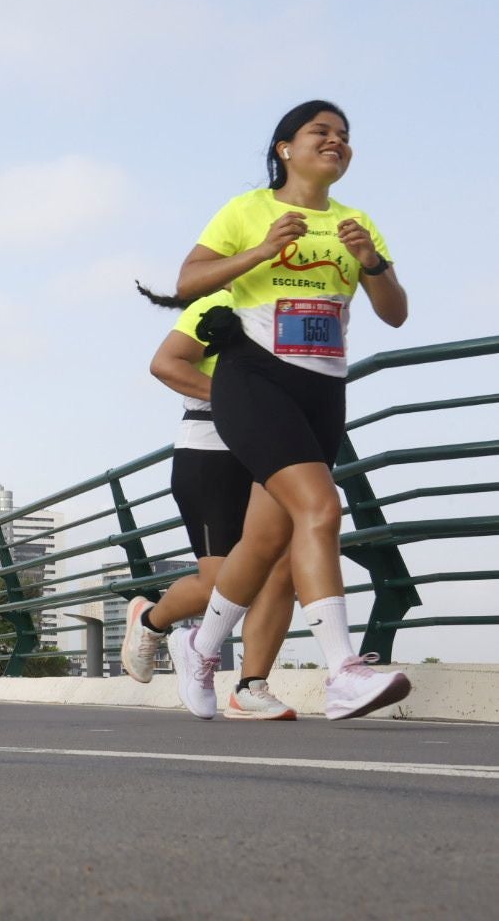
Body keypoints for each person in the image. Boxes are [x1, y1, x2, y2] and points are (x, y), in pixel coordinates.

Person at [170, 100, 410, 721]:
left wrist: (374, 262)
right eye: (321, 132)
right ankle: (344, 672)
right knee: (321, 506)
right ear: (285, 148)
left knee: (267, 536)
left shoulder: (357, 221)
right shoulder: (248, 209)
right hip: (255, 377)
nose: (336, 142)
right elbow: (187, 281)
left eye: (345, 137)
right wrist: (260, 251)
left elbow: (395, 311)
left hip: (324, 387)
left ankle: (201, 646)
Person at [120, 287, 299, 720]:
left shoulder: (301, 311)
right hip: (210, 452)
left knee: (281, 570)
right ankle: (152, 621)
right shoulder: (223, 301)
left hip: (272, 450)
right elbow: (165, 363)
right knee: (222, 580)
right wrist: (236, 399)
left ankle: (250, 687)